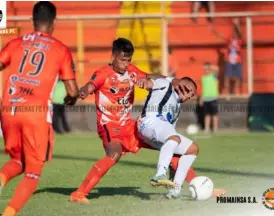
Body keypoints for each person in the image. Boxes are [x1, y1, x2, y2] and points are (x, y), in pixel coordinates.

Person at [68, 37, 188, 204]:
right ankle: (79, 194)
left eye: (128, 60)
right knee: (114, 154)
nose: (126, 64)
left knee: (172, 144)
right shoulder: (103, 73)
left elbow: (151, 76)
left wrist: (171, 80)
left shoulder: (131, 71)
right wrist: (79, 95)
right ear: (113, 56)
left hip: (130, 126)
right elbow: (89, 87)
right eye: (122, 60)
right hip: (109, 125)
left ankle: (182, 187)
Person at [0, 2, 79, 215]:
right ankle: (9, 213)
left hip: (9, 111)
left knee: (18, 160)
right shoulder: (60, 49)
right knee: (33, 173)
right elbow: (73, 91)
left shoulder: (16, 42)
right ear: (54, 22)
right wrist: (70, 99)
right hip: (36, 115)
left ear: (32, 21)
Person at [136, 76, 198, 198]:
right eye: (190, 91)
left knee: (192, 149)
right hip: (148, 122)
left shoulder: (177, 107)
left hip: (158, 131)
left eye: (191, 96)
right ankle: (159, 175)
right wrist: (144, 82)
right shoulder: (164, 84)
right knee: (174, 138)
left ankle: (175, 188)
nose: (189, 96)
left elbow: (170, 134)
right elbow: (150, 83)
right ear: (182, 84)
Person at [211, 18, 243, 95]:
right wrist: (214, 31)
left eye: (235, 31)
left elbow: (240, 34)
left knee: (237, 78)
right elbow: (221, 35)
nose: (234, 32)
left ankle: (235, 92)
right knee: (227, 77)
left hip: (237, 62)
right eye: (234, 31)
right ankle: (228, 93)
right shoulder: (229, 39)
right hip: (229, 61)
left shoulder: (239, 40)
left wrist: (237, 25)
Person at [200, 62, 219, 133]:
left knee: (214, 114)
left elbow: (217, 69)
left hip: (213, 98)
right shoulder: (203, 78)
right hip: (205, 99)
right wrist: (201, 98)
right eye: (204, 69)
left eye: (207, 69)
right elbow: (203, 89)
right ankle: (207, 128)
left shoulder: (213, 76)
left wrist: (210, 66)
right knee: (206, 115)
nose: (205, 70)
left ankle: (215, 129)